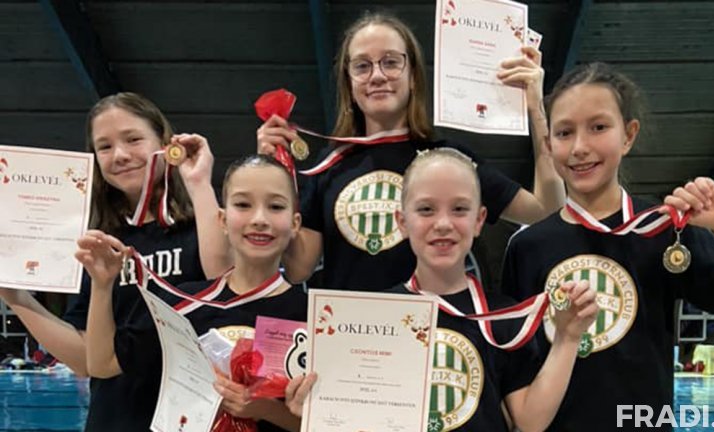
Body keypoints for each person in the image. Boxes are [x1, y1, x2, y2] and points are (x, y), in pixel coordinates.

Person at [501, 62, 714, 431]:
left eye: (598, 127)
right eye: (564, 132)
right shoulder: (527, 247)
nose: (580, 147)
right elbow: (514, 375)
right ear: (549, 145)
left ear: (628, 135)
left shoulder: (666, 230)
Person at [285, 148, 597, 431]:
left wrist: (568, 338)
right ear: (402, 222)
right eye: (426, 210)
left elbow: (530, 421)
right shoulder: (374, 318)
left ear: (479, 220)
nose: (444, 223)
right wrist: (317, 410)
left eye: (459, 209)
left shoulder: (505, 318)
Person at [258, 12, 564, 291]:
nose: (377, 75)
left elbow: (546, 212)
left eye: (391, 62)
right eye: (362, 66)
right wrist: (270, 178)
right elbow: (298, 270)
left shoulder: (450, 162)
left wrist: (536, 108)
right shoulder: (328, 165)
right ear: (349, 84)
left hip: (430, 329)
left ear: (414, 76)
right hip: (348, 329)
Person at [0, 92, 229, 431]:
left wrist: (199, 184)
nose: (120, 155)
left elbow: (223, 280)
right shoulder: (95, 242)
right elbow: (86, 359)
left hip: (196, 421)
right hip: (115, 420)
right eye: (104, 147)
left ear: (165, 142)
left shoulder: (205, 220)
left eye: (133, 139)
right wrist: (13, 295)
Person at [79, 154, 306, 432]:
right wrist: (102, 286)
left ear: (295, 223)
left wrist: (266, 409)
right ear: (222, 219)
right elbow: (102, 364)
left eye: (275, 206)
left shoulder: (312, 319)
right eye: (243, 205)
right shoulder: (181, 303)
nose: (259, 219)